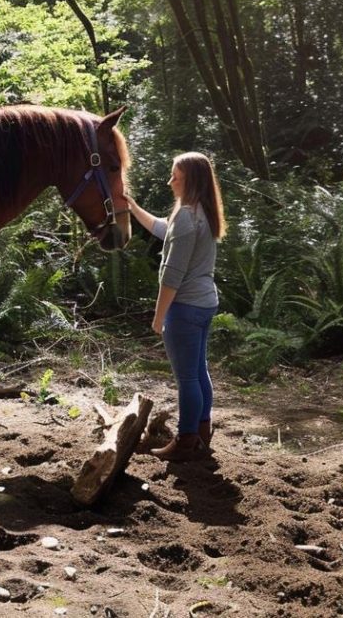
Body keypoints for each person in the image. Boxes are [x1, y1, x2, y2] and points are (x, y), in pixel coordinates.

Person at [125, 152, 226, 462]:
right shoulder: (203, 213)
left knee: (188, 379)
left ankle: (185, 440)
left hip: (185, 307)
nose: (170, 183)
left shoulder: (186, 216)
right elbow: (161, 228)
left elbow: (172, 275)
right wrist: (131, 205)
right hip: (205, 303)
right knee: (198, 372)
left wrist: (159, 317)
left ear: (191, 181)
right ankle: (201, 433)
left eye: (176, 177)